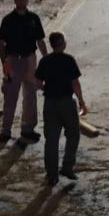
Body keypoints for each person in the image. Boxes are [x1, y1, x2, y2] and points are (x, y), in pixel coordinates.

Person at [35, 31, 88, 187]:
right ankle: (67, 167)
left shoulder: (45, 61)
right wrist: (82, 102)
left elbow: (38, 83)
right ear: (63, 43)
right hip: (66, 103)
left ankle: (52, 175)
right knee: (73, 134)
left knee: (51, 140)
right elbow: (75, 83)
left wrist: (47, 87)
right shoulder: (68, 60)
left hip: (50, 104)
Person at [0, 0, 47, 144]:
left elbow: (40, 41)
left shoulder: (34, 19)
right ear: (15, 1)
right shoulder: (8, 20)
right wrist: (5, 64)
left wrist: (46, 60)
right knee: (10, 96)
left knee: (30, 95)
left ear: (26, 0)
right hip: (13, 60)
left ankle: (28, 129)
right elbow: (1, 44)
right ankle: (6, 130)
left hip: (30, 59)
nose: (20, 1)